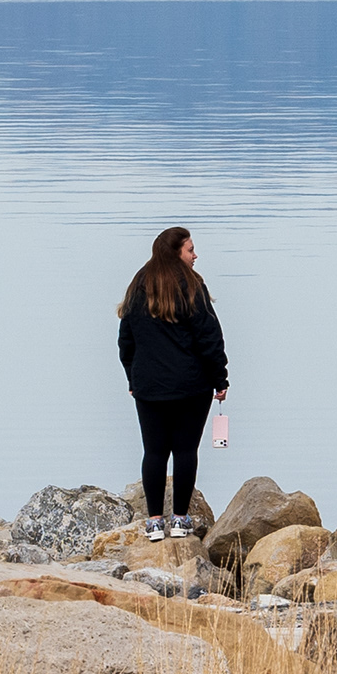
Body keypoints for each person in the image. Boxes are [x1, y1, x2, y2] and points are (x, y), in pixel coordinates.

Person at [116, 226, 228, 539]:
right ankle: (179, 519)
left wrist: (132, 376)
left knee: (153, 452)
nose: (195, 255)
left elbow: (126, 341)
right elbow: (209, 337)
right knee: (185, 451)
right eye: (190, 250)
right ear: (176, 252)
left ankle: (154, 522)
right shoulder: (192, 285)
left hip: (149, 386)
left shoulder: (140, 284)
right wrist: (220, 378)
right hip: (192, 385)